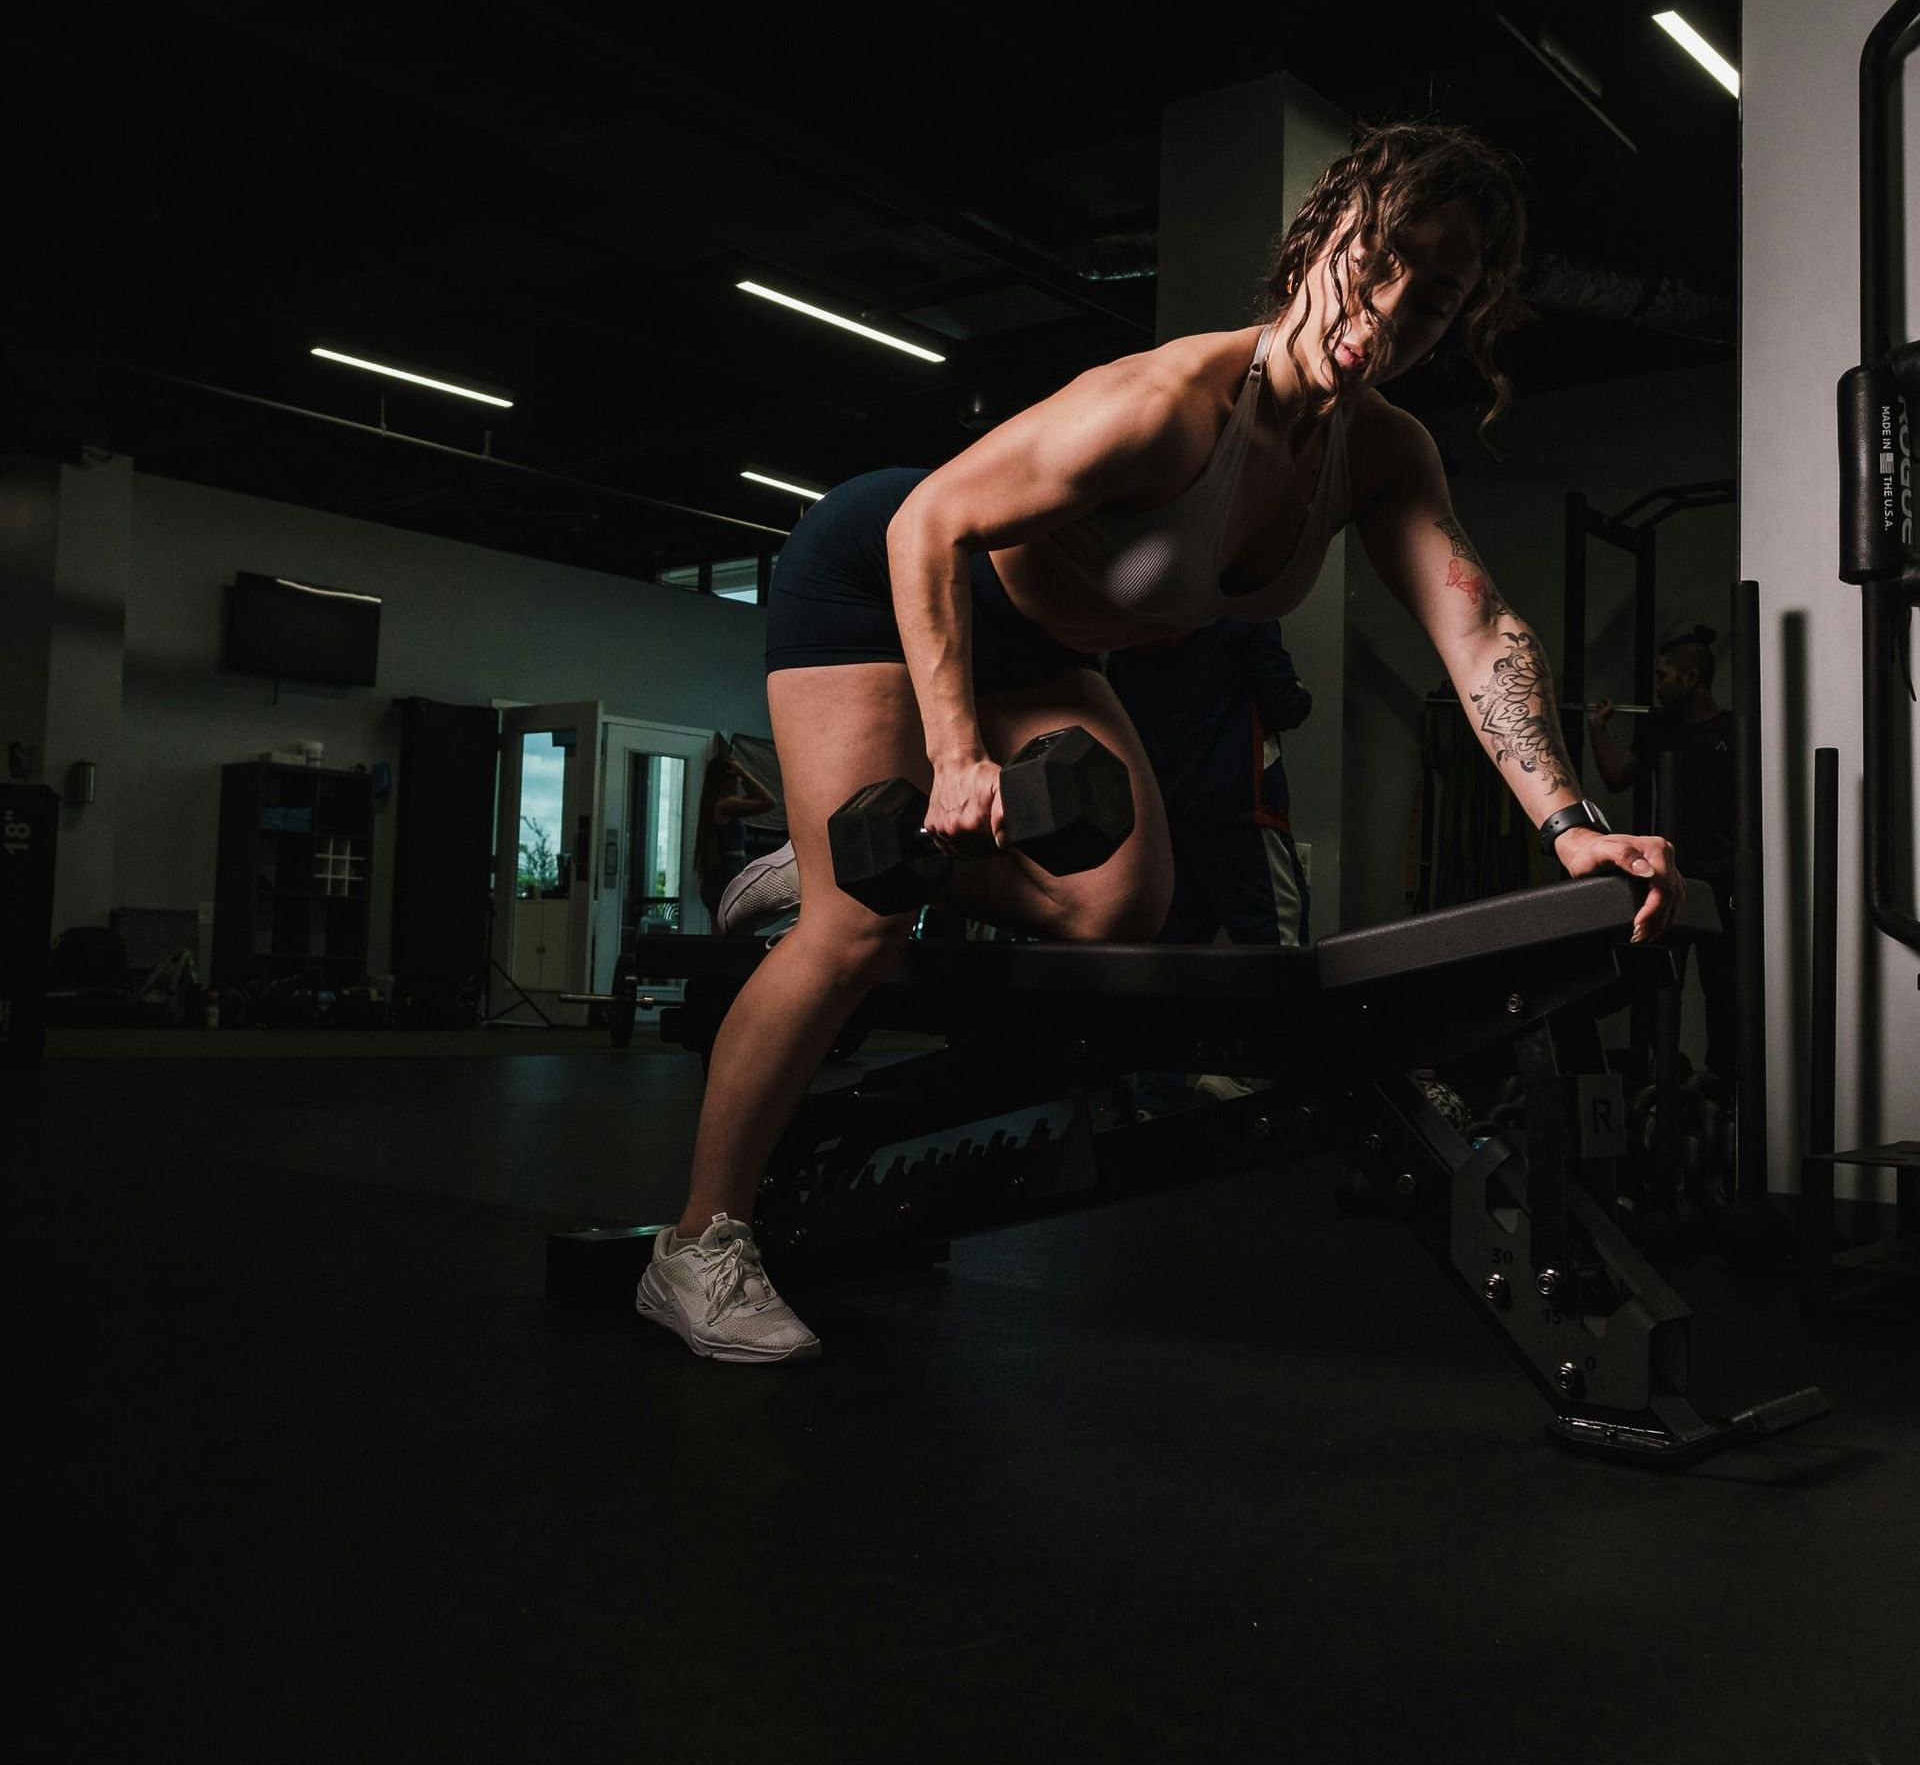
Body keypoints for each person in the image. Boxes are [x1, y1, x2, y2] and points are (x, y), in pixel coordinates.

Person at [635, 118, 1686, 1365]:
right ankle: (697, 1245)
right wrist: (960, 755)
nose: (1395, 305)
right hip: (880, 571)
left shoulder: (1380, 452)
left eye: (1440, 293)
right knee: (854, 925)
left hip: (1036, 641)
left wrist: (1572, 827)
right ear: (1323, 235)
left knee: (1120, 900)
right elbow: (929, 525)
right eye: (1383, 258)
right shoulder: (1167, 406)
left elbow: (1481, 634)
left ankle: (816, 851)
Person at [1586, 626, 1737, 1082]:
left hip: (1724, 881)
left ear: (1691, 679)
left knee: (1724, 990)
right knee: (1660, 986)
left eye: (1663, 675)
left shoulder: (1734, 731)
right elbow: (1616, 776)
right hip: (1668, 878)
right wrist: (1597, 730)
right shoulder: (1659, 730)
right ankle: (1661, 1085)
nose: (1657, 684)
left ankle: (1721, 1086)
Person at [1107, 619, 1314, 948]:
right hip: (1239, 806)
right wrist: (1301, 694)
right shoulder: (1245, 611)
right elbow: (1286, 705)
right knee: (1275, 939)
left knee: (1174, 953)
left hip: (1166, 814)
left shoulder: (1130, 623)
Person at [693, 745, 781, 927]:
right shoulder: (725, 805)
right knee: (737, 937)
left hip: (720, 878)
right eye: (734, 777)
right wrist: (743, 772)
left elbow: (756, 798)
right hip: (727, 878)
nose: (738, 782)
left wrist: (740, 773)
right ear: (725, 780)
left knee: (725, 938)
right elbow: (768, 801)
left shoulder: (718, 805)